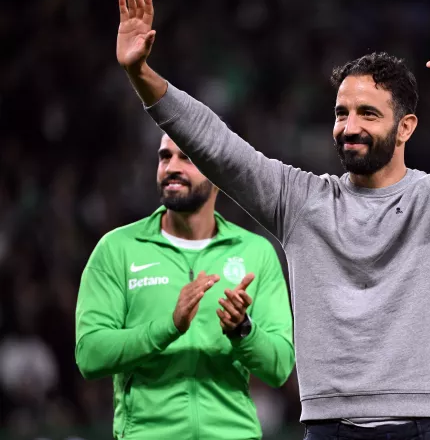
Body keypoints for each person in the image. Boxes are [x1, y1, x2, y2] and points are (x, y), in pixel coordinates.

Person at [116, 0, 430, 439]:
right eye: (342, 113)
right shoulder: (302, 201)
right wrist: (141, 74)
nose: (350, 127)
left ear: (406, 127)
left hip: (426, 423)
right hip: (328, 426)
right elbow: (217, 147)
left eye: (368, 113)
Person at [74, 133, 295, 440]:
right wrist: (168, 326)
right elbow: (90, 355)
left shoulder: (256, 253)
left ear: (219, 172)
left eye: (187, 157)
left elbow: (280, 367)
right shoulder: (117, 249)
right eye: (165, 157)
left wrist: (242, 330)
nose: (171, 167)